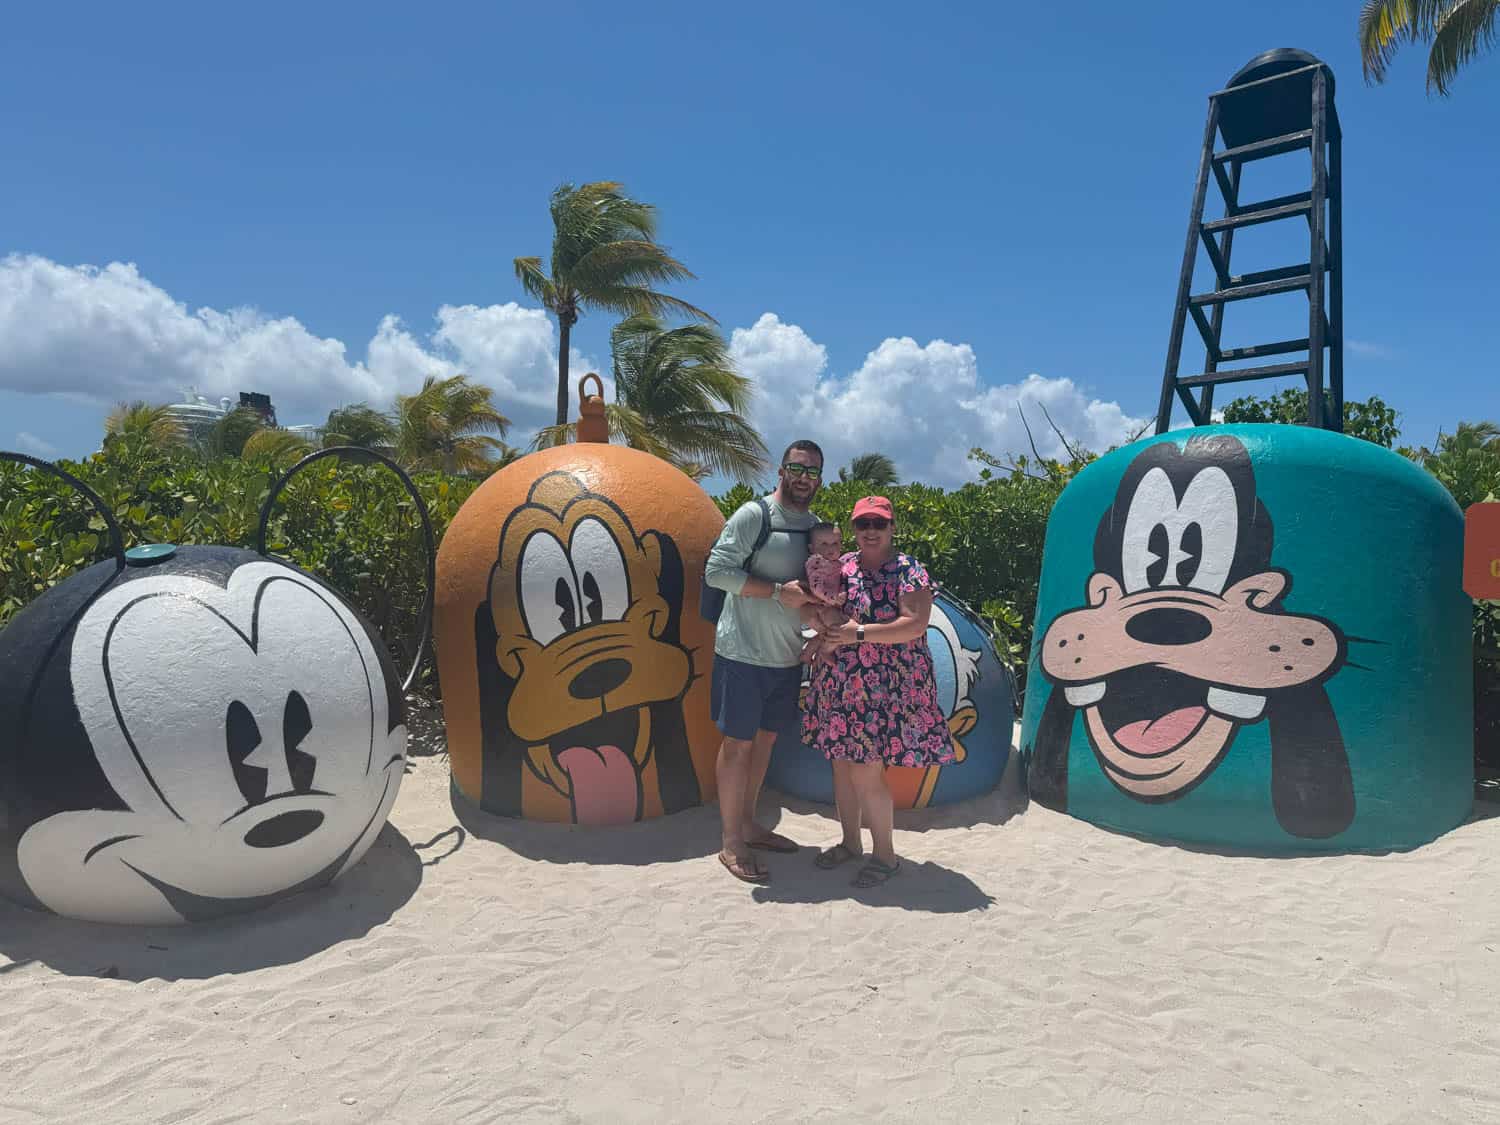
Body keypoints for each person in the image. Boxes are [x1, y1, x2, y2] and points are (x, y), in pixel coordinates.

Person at [801, 495, 955, 888]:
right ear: (853, 529)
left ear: (892, 528)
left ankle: (885, 855)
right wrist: (819, 621)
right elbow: (809, 602)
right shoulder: (842, 564)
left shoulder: (909, 570)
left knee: (867, 771)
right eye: (863, 524)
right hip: (841, 682)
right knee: (841, 765)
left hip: (887, 687)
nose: (870, 531)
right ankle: (851, 843)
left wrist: (858, 633)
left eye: (878, 524)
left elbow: (914, 625)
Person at [704, 440, 823, 883]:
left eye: (812, 471)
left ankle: (750, 824)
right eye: (797, 467)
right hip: (742, 654)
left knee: (766, 742)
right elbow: (716, 572)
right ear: (782, 469)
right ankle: (731, 842)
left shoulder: (815, 529)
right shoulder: (754, 517)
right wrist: (776, 592)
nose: (804, 477)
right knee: (738, 746)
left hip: (787, 657)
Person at [798, 523, 849, 667]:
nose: (830, 548)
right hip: (822, 605)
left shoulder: (837, 562)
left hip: (830, 604)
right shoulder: (816, 562)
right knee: (837, 629)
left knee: (827, 632)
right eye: (824, 544)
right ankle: (825, 651)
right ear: (812, 548)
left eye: (835, 543)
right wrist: (833, 597)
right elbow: (816, 586)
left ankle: (807, 653)